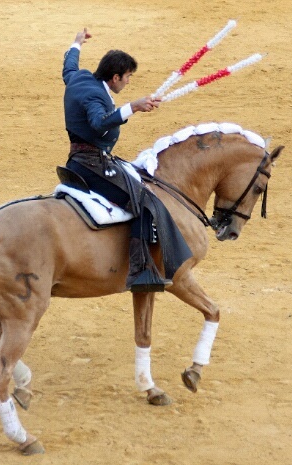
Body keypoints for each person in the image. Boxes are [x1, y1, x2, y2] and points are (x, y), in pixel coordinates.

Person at [61, 28, 172, 292]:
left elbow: (68, 67)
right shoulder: (95, 96)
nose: (128, 82)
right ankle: (139, 272)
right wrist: (132, 107)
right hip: (91, 164)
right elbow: (98, 123)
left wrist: (77, 43)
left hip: (80, 159)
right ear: (115, 77)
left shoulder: (81, 78)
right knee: (145, 200)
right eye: (128, 77)